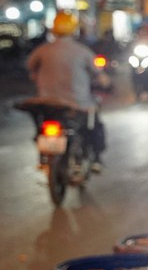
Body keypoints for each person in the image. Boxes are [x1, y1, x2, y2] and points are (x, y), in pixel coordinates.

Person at [26, 11, 107, 170]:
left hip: (47, 103)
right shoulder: (82, 51)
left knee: (40, 127)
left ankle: (43, 158)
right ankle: (96, 159)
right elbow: (100, 76)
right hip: (78, 104)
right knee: (95, 126)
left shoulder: (43, 50)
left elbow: (30, 68)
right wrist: (106, 83)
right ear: (74, 30)